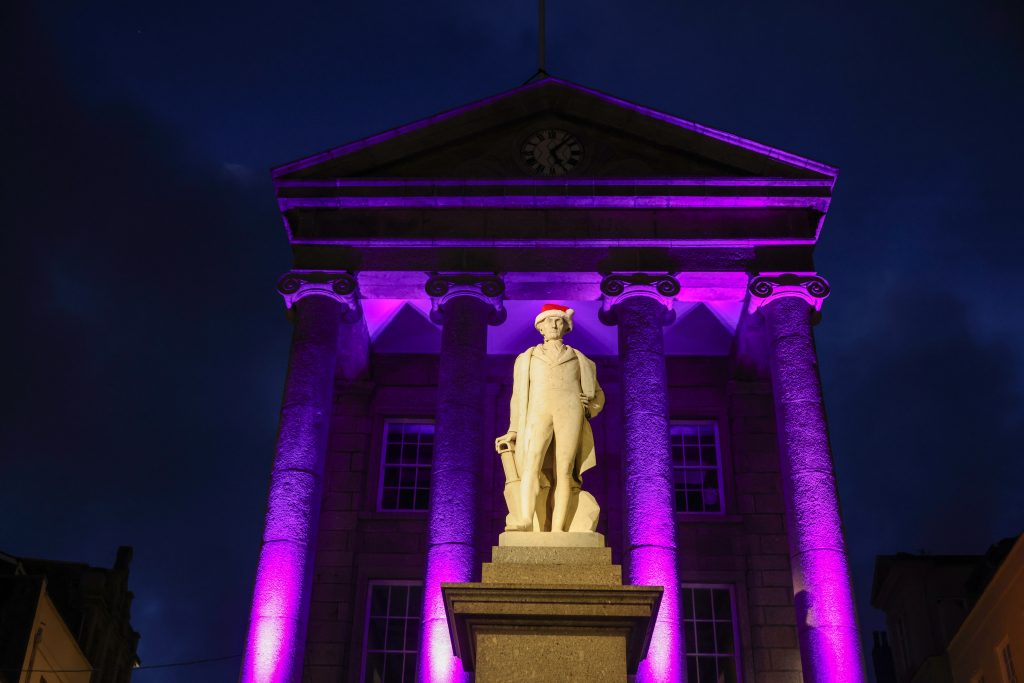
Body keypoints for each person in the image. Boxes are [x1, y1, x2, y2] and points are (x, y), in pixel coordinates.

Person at [495, 304, 605, 532]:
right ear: (540, 327)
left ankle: (558, 528)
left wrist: (590, 406)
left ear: (567, 327)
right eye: (548, 321)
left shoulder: (581, 359)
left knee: (564, 470)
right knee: (530, 465)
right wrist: (514, 429)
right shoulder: (527, 358)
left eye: (559, 321)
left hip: (570, 410)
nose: (554, 325)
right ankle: (525, 519)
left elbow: (598, 395)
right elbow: (517, 397)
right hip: (538, 410)